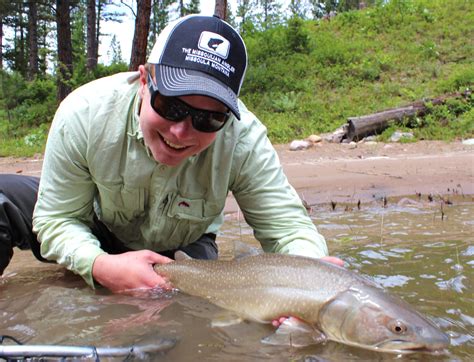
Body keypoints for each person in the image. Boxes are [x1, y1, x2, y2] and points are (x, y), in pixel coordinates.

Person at [1, 14, 342, 293]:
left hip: (182, 252)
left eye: (209, 119)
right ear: (144, 81)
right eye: (171, 106)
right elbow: (58, 218)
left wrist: (310, 279)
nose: (181, 132)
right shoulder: (85, 113)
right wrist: (98, 264)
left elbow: (287, 230)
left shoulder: (244, 139)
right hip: (95, 225)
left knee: (185, 320)